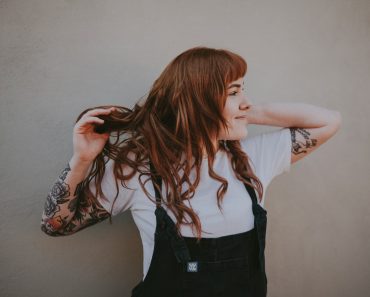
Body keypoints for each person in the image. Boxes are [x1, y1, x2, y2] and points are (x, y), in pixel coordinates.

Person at [40, 46, 342, 297]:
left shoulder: (253, 159)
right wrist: (81, 161)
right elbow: (56, 225)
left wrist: (241, 111)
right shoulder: (138, 170)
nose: (247, 102)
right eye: (234, 91)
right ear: (198, 102)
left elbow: (329, 121)